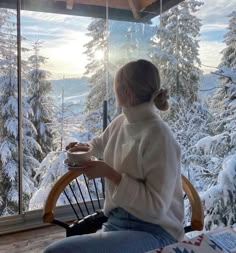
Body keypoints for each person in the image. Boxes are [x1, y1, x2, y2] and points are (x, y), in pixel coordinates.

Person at [44, 59, 184, 253]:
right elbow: (100, 144)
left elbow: (156, 207)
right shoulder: (122, 121)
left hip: (156, 232)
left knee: (57, 252)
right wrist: (85, 149)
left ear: (124, 91)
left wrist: (112, 175)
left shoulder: (160, 137)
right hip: (118, 223)